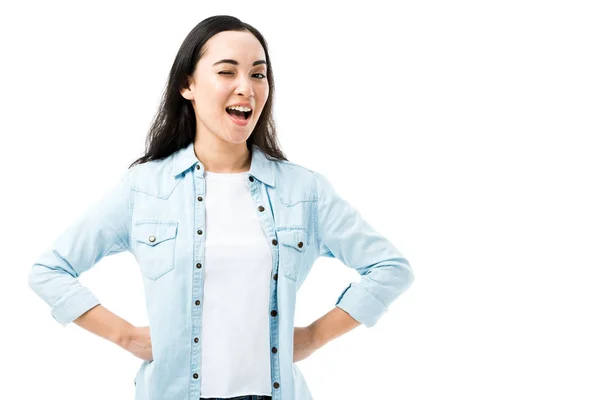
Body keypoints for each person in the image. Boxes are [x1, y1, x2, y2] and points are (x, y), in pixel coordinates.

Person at [28, 15, 414, 400]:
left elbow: (390, 268)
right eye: (227, 72)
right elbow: (50, 271)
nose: (245, 88)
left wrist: (314, 337)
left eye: (258, 75)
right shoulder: (144, 189)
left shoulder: (303, 191)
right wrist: (127, 336)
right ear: (187, 84)